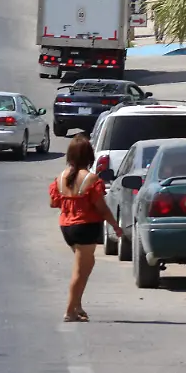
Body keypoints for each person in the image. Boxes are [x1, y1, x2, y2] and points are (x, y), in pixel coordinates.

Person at [49, 134, 122, 322]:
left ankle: (77, 305)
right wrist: (115, 225)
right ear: (89, 155)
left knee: (87, 264)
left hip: (67, 227)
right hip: (85, 227)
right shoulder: (91, 179)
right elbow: (102, 208)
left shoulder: (60, 177)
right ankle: (70, 311)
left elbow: (53, 202)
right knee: (80, 271)